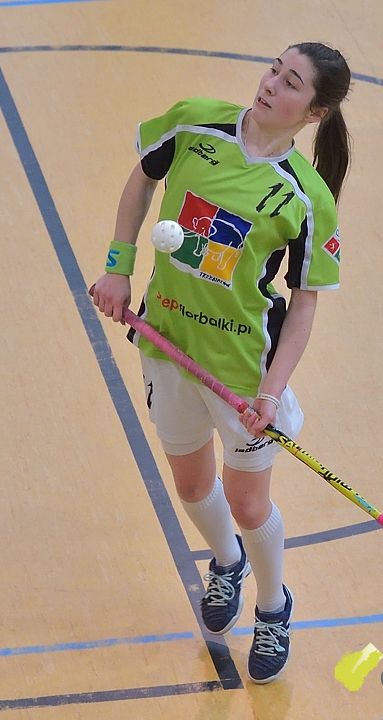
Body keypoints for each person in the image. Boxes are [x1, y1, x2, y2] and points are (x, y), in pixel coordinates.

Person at [92, 41, 352, 684]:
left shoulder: (308, 198)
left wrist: (273, 391)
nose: (271, 85)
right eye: (274, 69)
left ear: (314, 113)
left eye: (291, 83)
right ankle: (226, 564)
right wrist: (119, 267)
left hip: (242, 370)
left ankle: (273, 606)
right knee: (190, 486)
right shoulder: (194, 122)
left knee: (248, 504)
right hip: (167, 342)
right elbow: (141, 179)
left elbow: (304, 305)